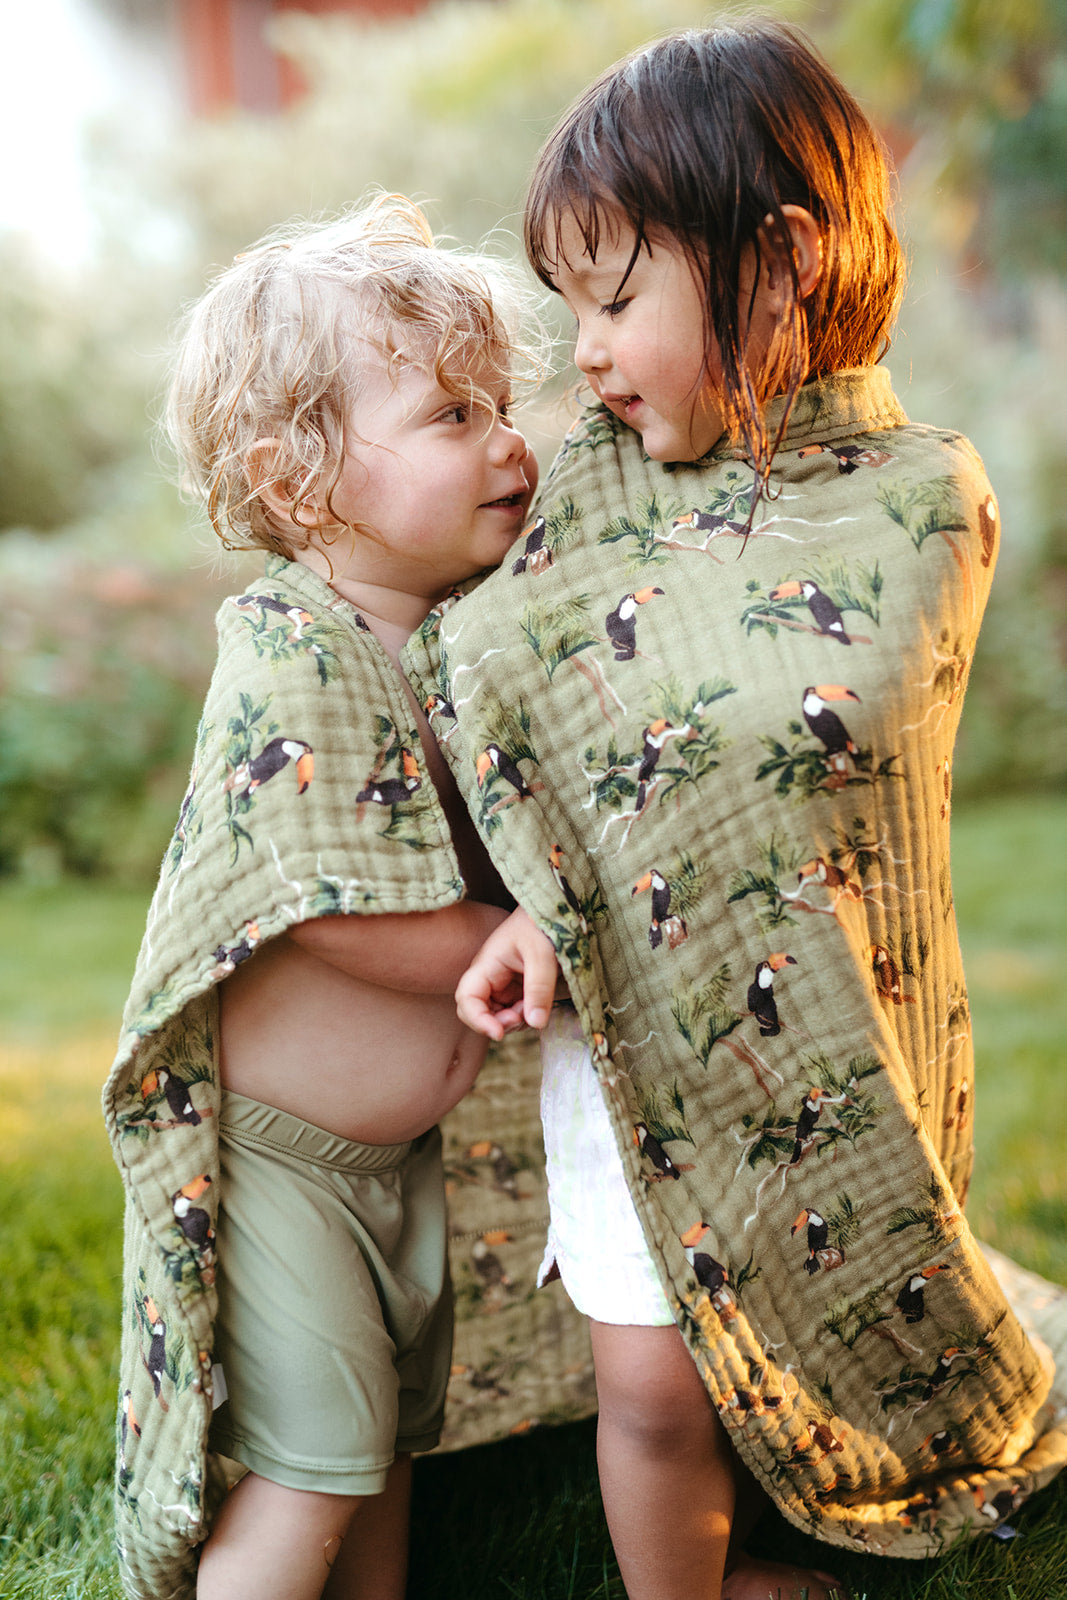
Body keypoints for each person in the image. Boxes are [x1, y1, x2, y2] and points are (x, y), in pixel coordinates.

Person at [403, 20, 1067, 1600]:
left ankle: (763, 1534)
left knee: (798, 1316)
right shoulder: (591, 491)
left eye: (617, 301)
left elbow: (811, 719)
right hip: (622, 1027)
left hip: (822, 1034)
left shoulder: (922, 493)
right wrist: (545, 894)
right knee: (653, 1386)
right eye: (574, 308)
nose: (585, 355)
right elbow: (487, 649)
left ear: (778, 264)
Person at [101, 193, 548, 1600]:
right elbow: (318, 894)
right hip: (283, 1165)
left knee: (383, 1443)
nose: (508, 440)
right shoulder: (290, 647)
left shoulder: (452, 643)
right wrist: (512, 934)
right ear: (299, 482)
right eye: (453, 416)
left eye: (501, 404)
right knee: (313, 1471)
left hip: (391, 1158)